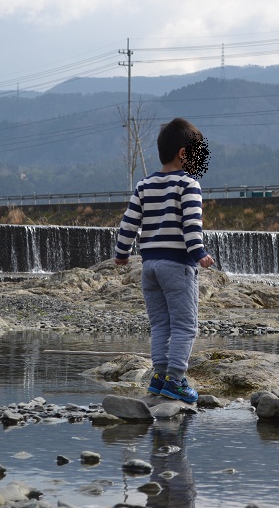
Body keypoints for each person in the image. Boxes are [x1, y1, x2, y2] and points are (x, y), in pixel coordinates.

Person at [114, 117, 214, 404]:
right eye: (198, 154)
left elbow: (128, 224)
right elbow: (191, 225)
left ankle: (159, 377)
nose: (200, 160)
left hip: (150, 267)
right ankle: (176, 380)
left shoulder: (144, 185)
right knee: (184, 326)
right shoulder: (188, 184)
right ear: (183, 154)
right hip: (177, 265)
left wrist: (122, 253)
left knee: (160, 325)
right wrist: (199, 253)